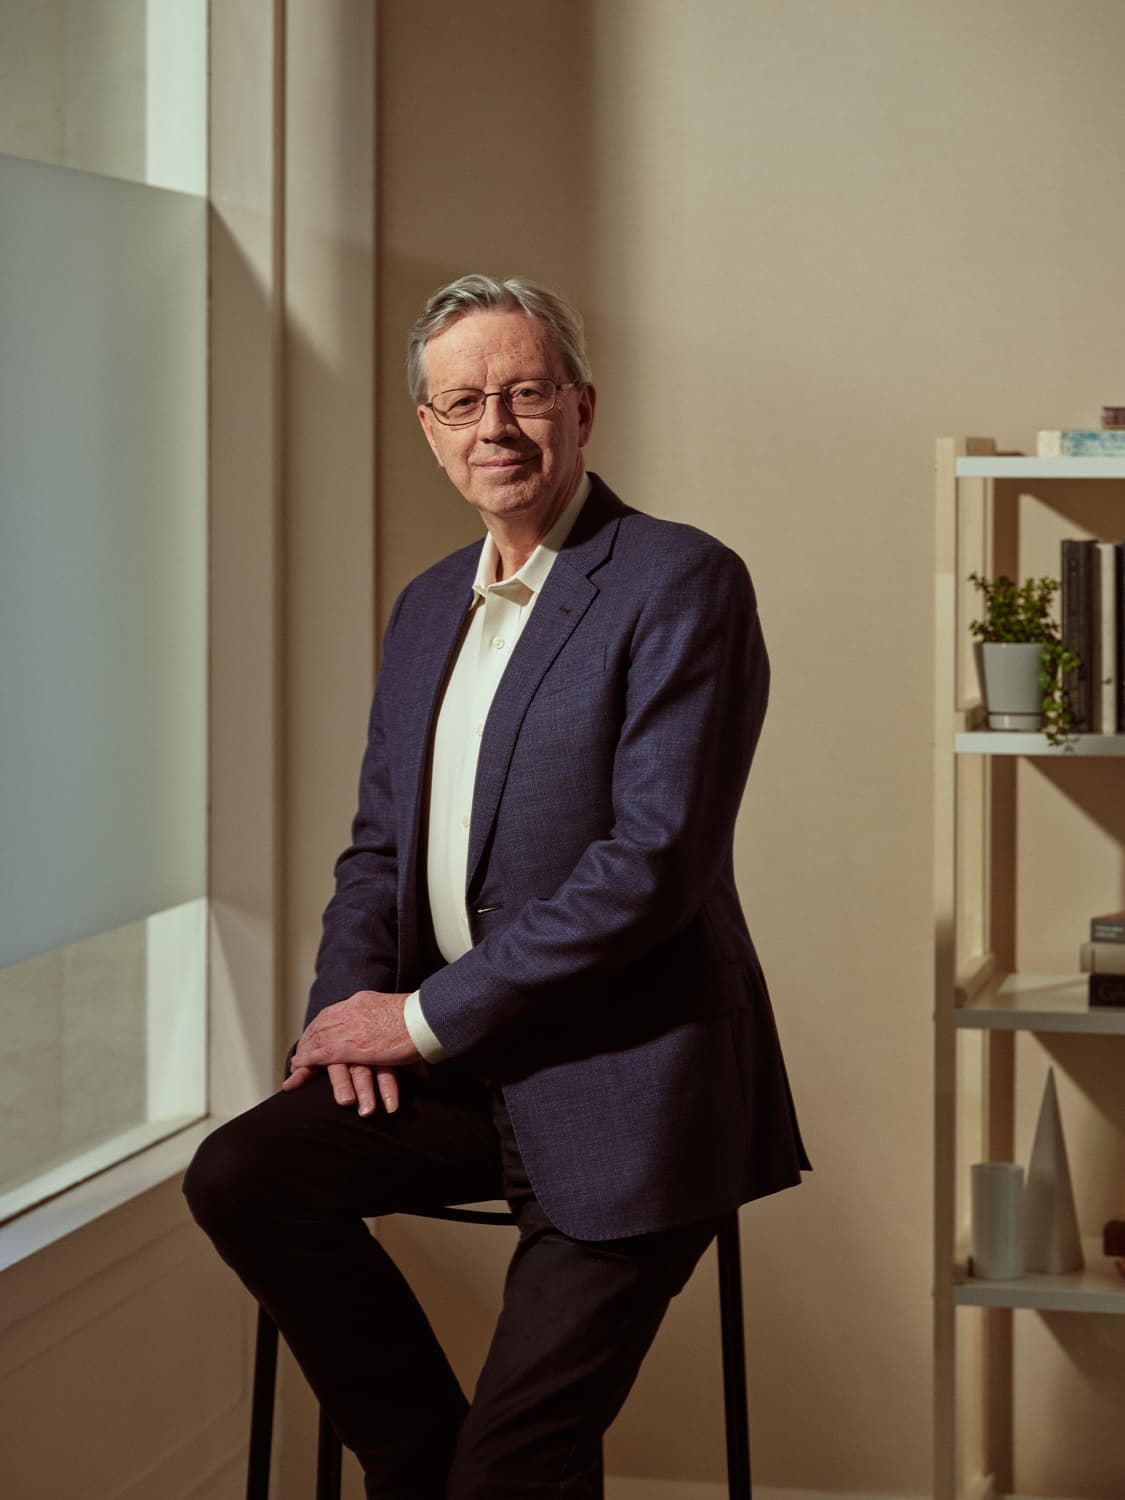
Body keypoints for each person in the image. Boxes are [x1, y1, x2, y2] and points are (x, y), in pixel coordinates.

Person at [184, 274, 809, 1499]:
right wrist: (349, 1015)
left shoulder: (680, 580)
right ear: (428, 426)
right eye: (463, 401)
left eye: (525, 394)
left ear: (583, 407)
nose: (497, 429)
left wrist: (415, 1019)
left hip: (634, 1084)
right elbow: (377, 850)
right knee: (241, 1178)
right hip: (469, 1072)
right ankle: (426, 1472)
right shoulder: (427, 608)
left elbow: (653, 868)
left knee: (513, 1471)